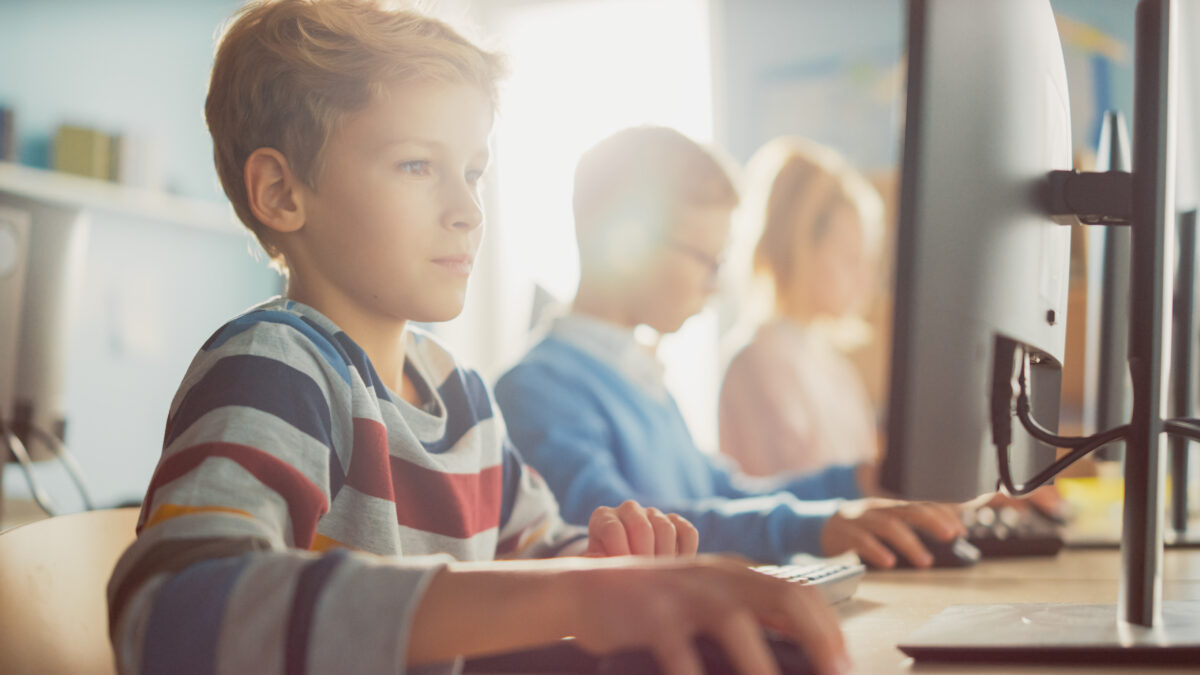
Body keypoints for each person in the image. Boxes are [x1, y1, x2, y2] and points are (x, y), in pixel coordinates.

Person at [104, 4, 851, 674]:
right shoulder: (277, 367)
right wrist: (573, 598)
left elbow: (535, 555)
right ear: (281, 193)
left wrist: (607, 561)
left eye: (473, 171)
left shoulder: (459, 395)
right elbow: (171, 609)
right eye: (417, 165)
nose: (466, 208)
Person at [494, 125, 967, 572]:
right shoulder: (537, 390)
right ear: (628, 244)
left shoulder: (637, 374)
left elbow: (722, 491)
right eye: (707, 261)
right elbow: (630, 534)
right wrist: (813, 528)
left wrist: (854, 487)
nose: (715, 286)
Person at [719, 137, 885, 479]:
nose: (865, 281)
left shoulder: (834, 366)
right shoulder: (759, 360)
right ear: (801, 251)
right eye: (851, 260)